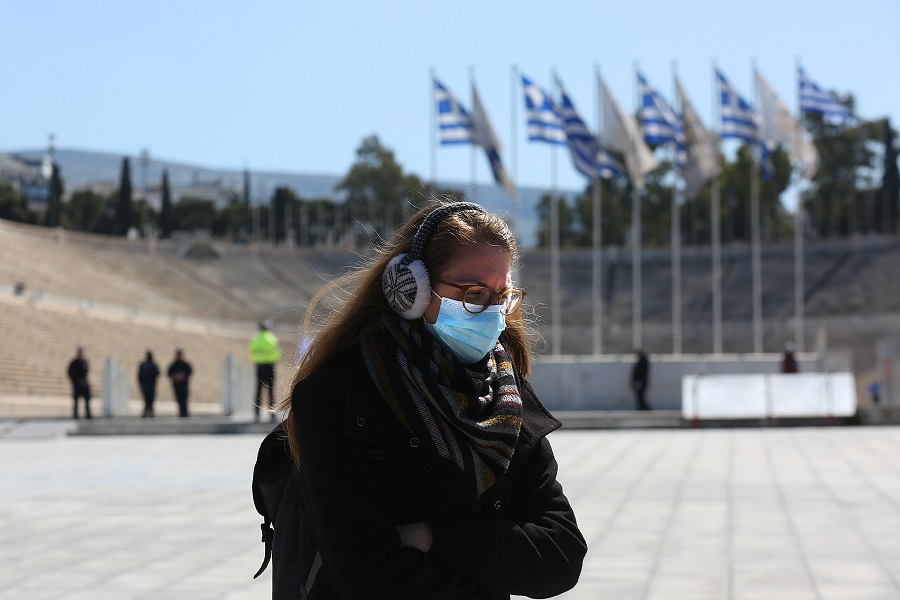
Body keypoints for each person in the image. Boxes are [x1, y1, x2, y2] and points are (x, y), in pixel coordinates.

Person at [277, 200, 586, 598]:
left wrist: (430, 538)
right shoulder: (337, 397)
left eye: (501, 295)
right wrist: (492, 563)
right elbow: (365, 575)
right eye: (473, 293)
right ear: (412, 290)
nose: (492, 311)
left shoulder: (508, 400)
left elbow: (562, 556)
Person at [248, 319, 281, 422]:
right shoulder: (272, 339)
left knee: (258, 390)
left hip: (259, 366)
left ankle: (256, 414)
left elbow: (251, 352)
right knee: (271, 390)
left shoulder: (255, 339)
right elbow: (277, 354)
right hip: (270, 366)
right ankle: (272, 414)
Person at [67, 346, 92, 419]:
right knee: (76, 400)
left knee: (87, 399)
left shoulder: (85, 361)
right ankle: (75, 415)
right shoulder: (74, 362)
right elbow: (69, 372)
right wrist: (74, 380)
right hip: (77, 383)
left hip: (84, 383)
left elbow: (87, 371)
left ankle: (88, 414)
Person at [167, 348, 193, 417]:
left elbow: (189, 372)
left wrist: (183, 376)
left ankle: (185, 412)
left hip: (184, 385)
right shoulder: (174, 365)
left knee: (184, 398)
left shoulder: (185, 364)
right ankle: (181, 412)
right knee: (179, 398)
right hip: (177, 385)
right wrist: (175, 376)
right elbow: (169, 373)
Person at [137, 350, 161, 418]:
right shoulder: (144, 365)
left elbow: (158, 373)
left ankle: (150, 411)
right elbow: (140, 375)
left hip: (151, 384)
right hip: (146, 384)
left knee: (151, 399)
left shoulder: (153, 364)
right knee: (146, 399)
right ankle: (147, 411)